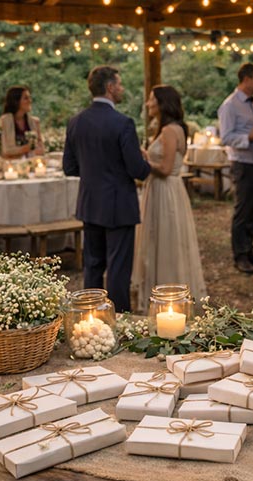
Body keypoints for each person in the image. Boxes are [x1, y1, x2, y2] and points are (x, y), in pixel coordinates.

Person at [63, 66, 151, 312]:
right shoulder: (123, 123)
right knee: (118, 268)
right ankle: (119, 319)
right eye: (120, 84)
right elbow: (137, 169)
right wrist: (148, 164)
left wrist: (95, 173)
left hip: (90, 203)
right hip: (119, 205)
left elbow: (69, 167)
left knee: (92, 265)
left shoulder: (75, 122)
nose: (122, 88)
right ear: (110, 88)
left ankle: (88, 315)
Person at [133, 85, 207, 311]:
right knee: (169, 238)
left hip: (164, 189)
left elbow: (165, 168)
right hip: (168, 190)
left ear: (162, 103)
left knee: (163, 239)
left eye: (151, 100)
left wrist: (143, 161)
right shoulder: (175, 128)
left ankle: (165, 291)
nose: (147, 104)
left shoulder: (168, 131)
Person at [218, 63, 253, 274]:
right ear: (246, 79)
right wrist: (246, 138)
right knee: (243, 210)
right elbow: (225, 137)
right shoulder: (229, 105)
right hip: (242, 163)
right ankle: (239, 255)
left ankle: (249, 250)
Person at [0, 86, 45, 159]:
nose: (30, 101)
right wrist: (28, 148)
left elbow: (41, 149)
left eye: (29, 97)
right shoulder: (5, 121)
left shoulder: (35, 121)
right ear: (16, 101)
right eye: (26, 98)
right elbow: (7, 150)